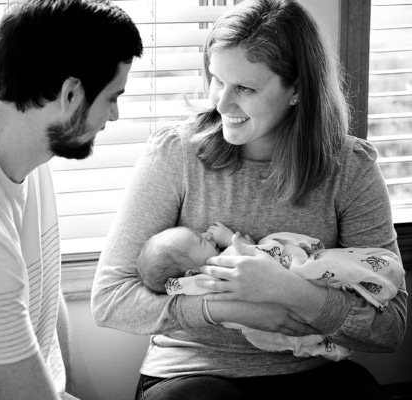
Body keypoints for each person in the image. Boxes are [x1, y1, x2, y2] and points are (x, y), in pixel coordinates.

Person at [91, 0, 407, 399]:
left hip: (308, 366)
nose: (221, 103)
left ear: (297, 90)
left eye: (245, 87)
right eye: (217, 79)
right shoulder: (177, 154)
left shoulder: (350, 169)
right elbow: (110, 299)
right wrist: (234, 310)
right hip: (194, 372)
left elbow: (390, 328)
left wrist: (289, 292)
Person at [0, 0, 142, 398]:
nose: (116, 115)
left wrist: (68, 388)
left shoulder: (25, 154)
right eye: (112, 97)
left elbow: (41, 294)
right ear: (71, 93)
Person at [136, 222, 405, 361]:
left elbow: (389, 332)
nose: (206, 235)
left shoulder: (191, 282)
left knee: (294, 338)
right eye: (198, 239)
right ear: (190, 274)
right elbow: (252, 253)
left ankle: (320, 346)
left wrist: (289, 292)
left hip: (282, 343)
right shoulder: (220, 265)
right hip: (200, 365)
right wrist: (231, 239)